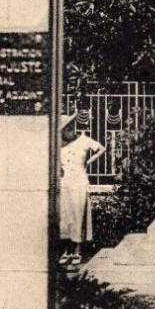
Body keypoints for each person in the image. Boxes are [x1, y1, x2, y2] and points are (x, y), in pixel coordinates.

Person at [59, 113, 105, 265]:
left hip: (79, 180)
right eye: (66, 128)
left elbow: (101, 149)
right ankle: (66, 251)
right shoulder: (60, 144)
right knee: (65, 216)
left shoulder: (84, 140)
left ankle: (77, 251)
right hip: (64, 181)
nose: (69, 130)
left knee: (78, 214)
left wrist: (89, 161)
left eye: (71, 126)